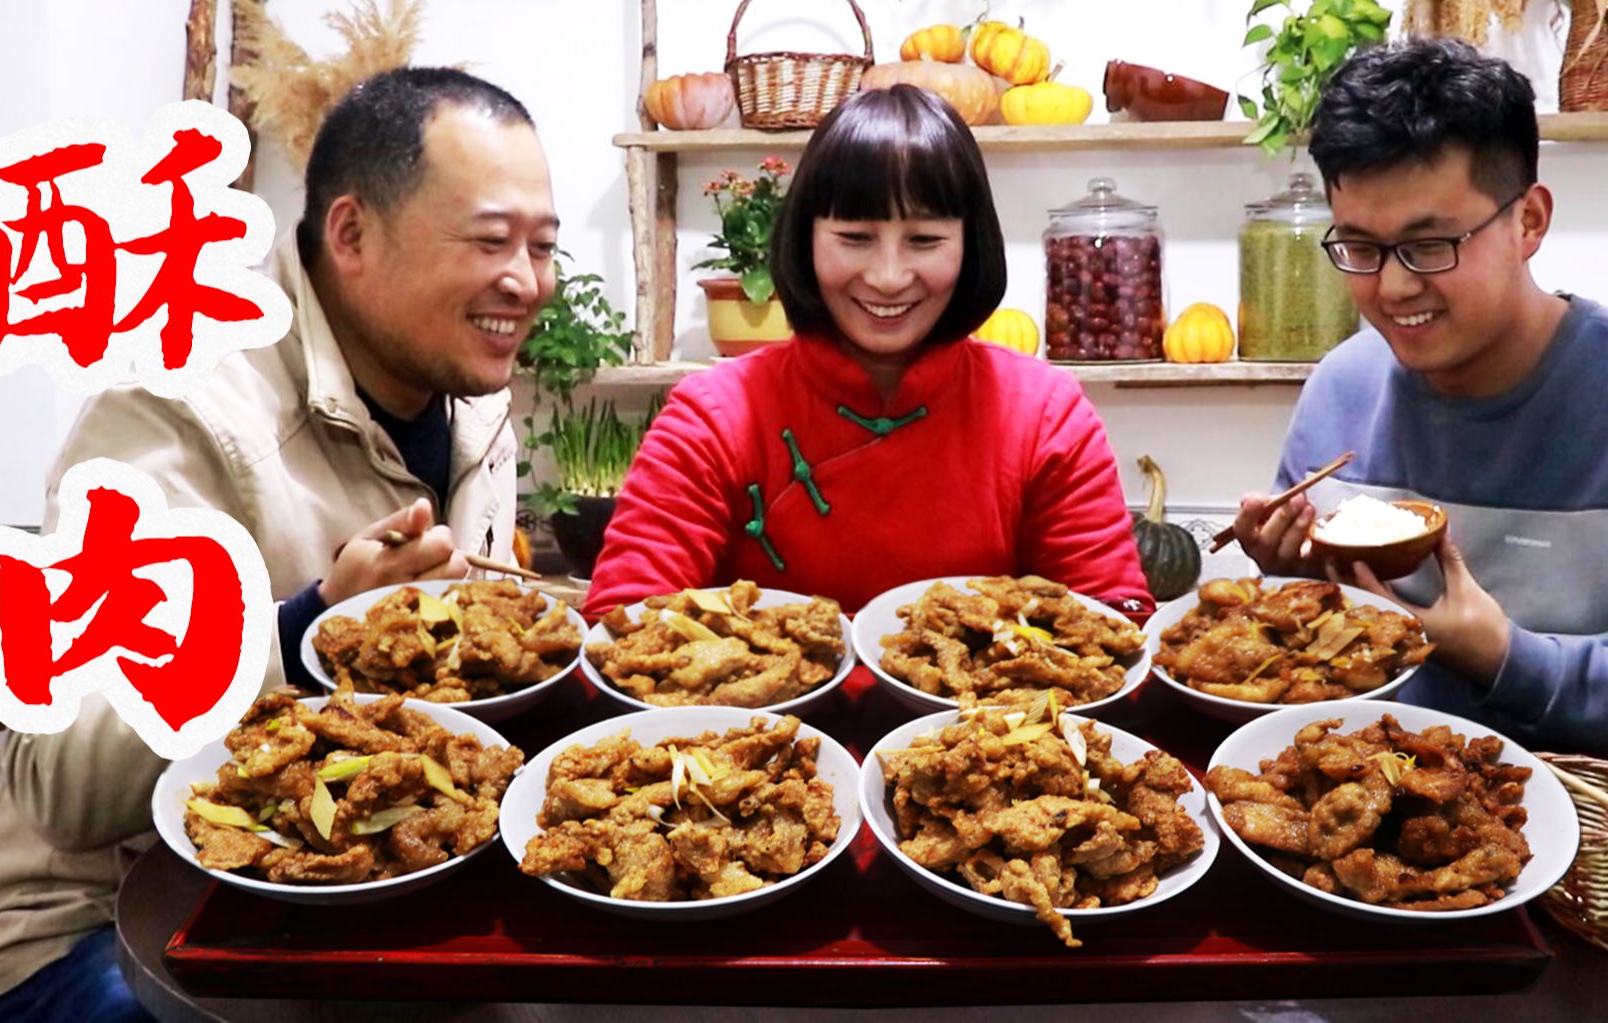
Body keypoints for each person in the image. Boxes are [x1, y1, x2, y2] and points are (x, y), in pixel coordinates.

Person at [0, 67, 556, 1019]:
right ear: (353, 234)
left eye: (542, 247)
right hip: (106, 926)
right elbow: (59, 779)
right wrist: (302, 633)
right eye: (492, 242)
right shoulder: (180, 403)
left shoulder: (478, 407)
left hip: (352, 898)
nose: (526, 283)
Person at [587, 85, 1150, 618]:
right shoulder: (712, 416)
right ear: (805, 238)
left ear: (970, 243)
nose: (887, 277)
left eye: (925, 240)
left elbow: (1113, 627)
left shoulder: (1045, 413)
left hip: (987, 721)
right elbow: (622, 624)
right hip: (749, 723)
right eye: (854, 238)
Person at [1227, 39, 1608, 755]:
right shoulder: (1343, 385)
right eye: (1360, 248)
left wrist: (1502, 655)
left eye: (1429, 245)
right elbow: (1315, 656)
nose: (1394, 288)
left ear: (1528, 222)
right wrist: (1291, 578)